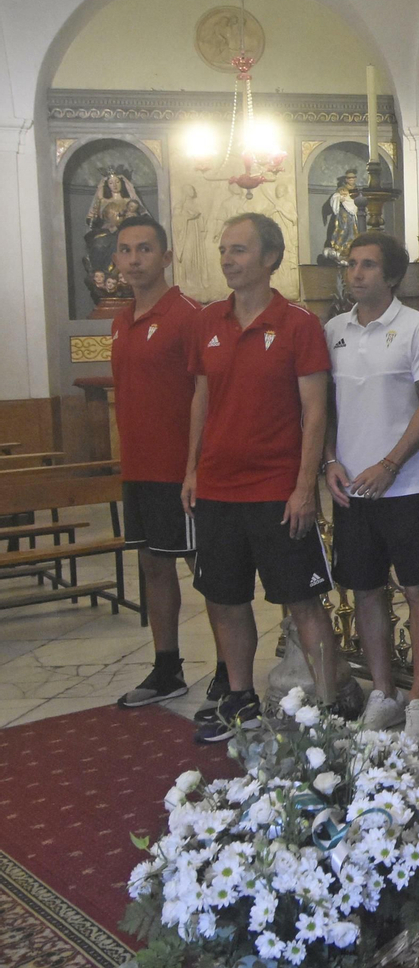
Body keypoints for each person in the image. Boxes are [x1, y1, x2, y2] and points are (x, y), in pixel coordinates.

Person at [182, 212, 339, 743]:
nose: (228, 258)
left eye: (240, 250)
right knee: (224, 598)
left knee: (302, 600)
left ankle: (330, 703)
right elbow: (201, 398)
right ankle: (240, 694)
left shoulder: (298, 324)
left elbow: (314, 412)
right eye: (225, 249)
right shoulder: (207, 322)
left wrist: (303, 487)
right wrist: (191, 471)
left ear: (270, 258)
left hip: (276, 489)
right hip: (218, 487)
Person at [322, 232, 419, 744]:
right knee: (366, 590)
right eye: (352, 265)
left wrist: (391, 464)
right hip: (352, 488)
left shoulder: (418, 328)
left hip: (407, 486)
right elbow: (327, 406)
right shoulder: (333, 329)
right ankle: (383, 692)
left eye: (368, 266)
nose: (356, 274)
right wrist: (330, 459)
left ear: (392, 276)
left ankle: (418, 696)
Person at [110, 214, 206, 708]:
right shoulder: (120, 320)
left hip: (179, 468)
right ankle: (167, 666)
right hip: (139, 467)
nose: (134, 259)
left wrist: (194, 466)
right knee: (152, 564)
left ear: (166, 256)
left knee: (205, 568)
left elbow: (204, 393)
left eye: (144, 249)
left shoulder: (188, 315)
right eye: (126, 250)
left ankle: (232, 670)